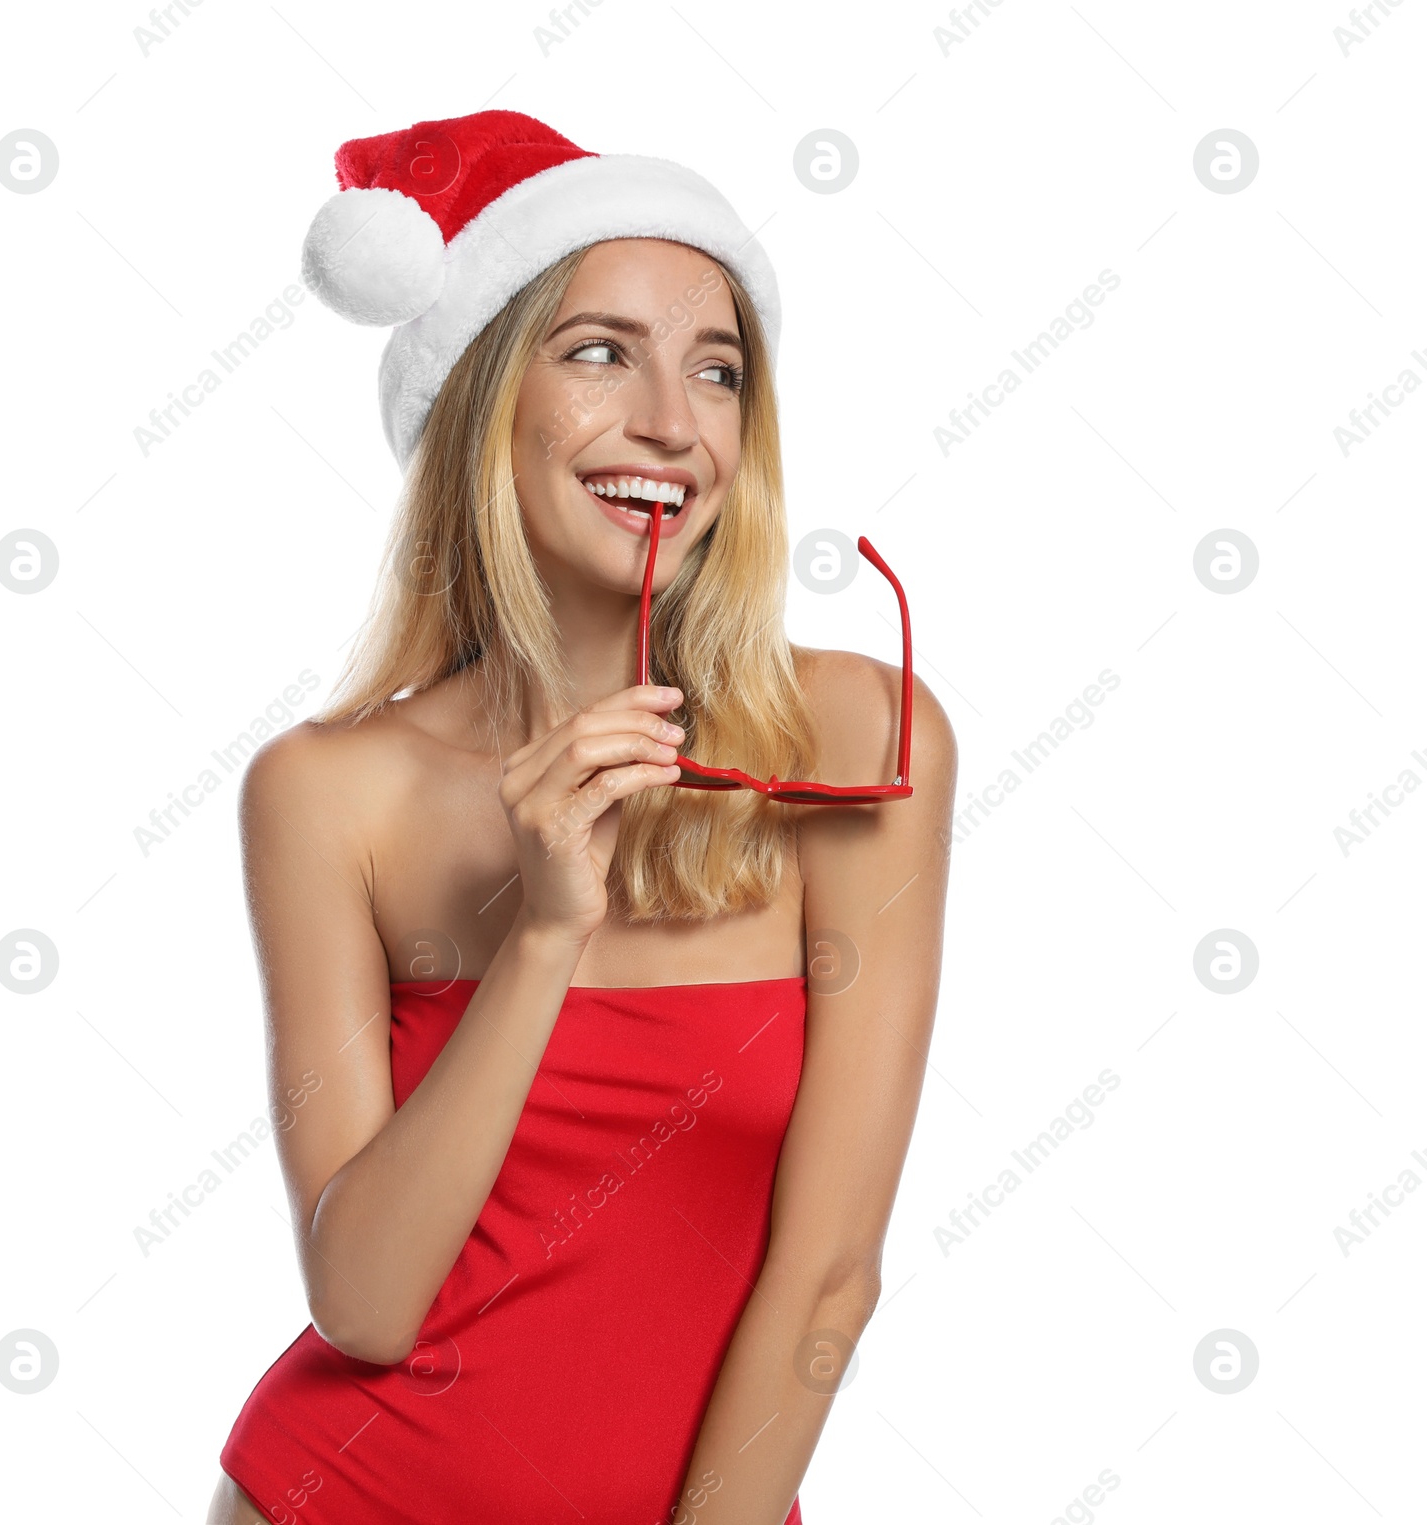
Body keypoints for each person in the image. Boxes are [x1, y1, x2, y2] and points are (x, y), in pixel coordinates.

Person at [206, 109, 957, 1525]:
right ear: (485, 396)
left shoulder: (863, 744)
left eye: (718, 370)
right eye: (600, 352)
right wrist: (547, 929)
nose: (672, 423)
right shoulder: (326, 790)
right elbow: (365, 1303)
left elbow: (831, 1272)